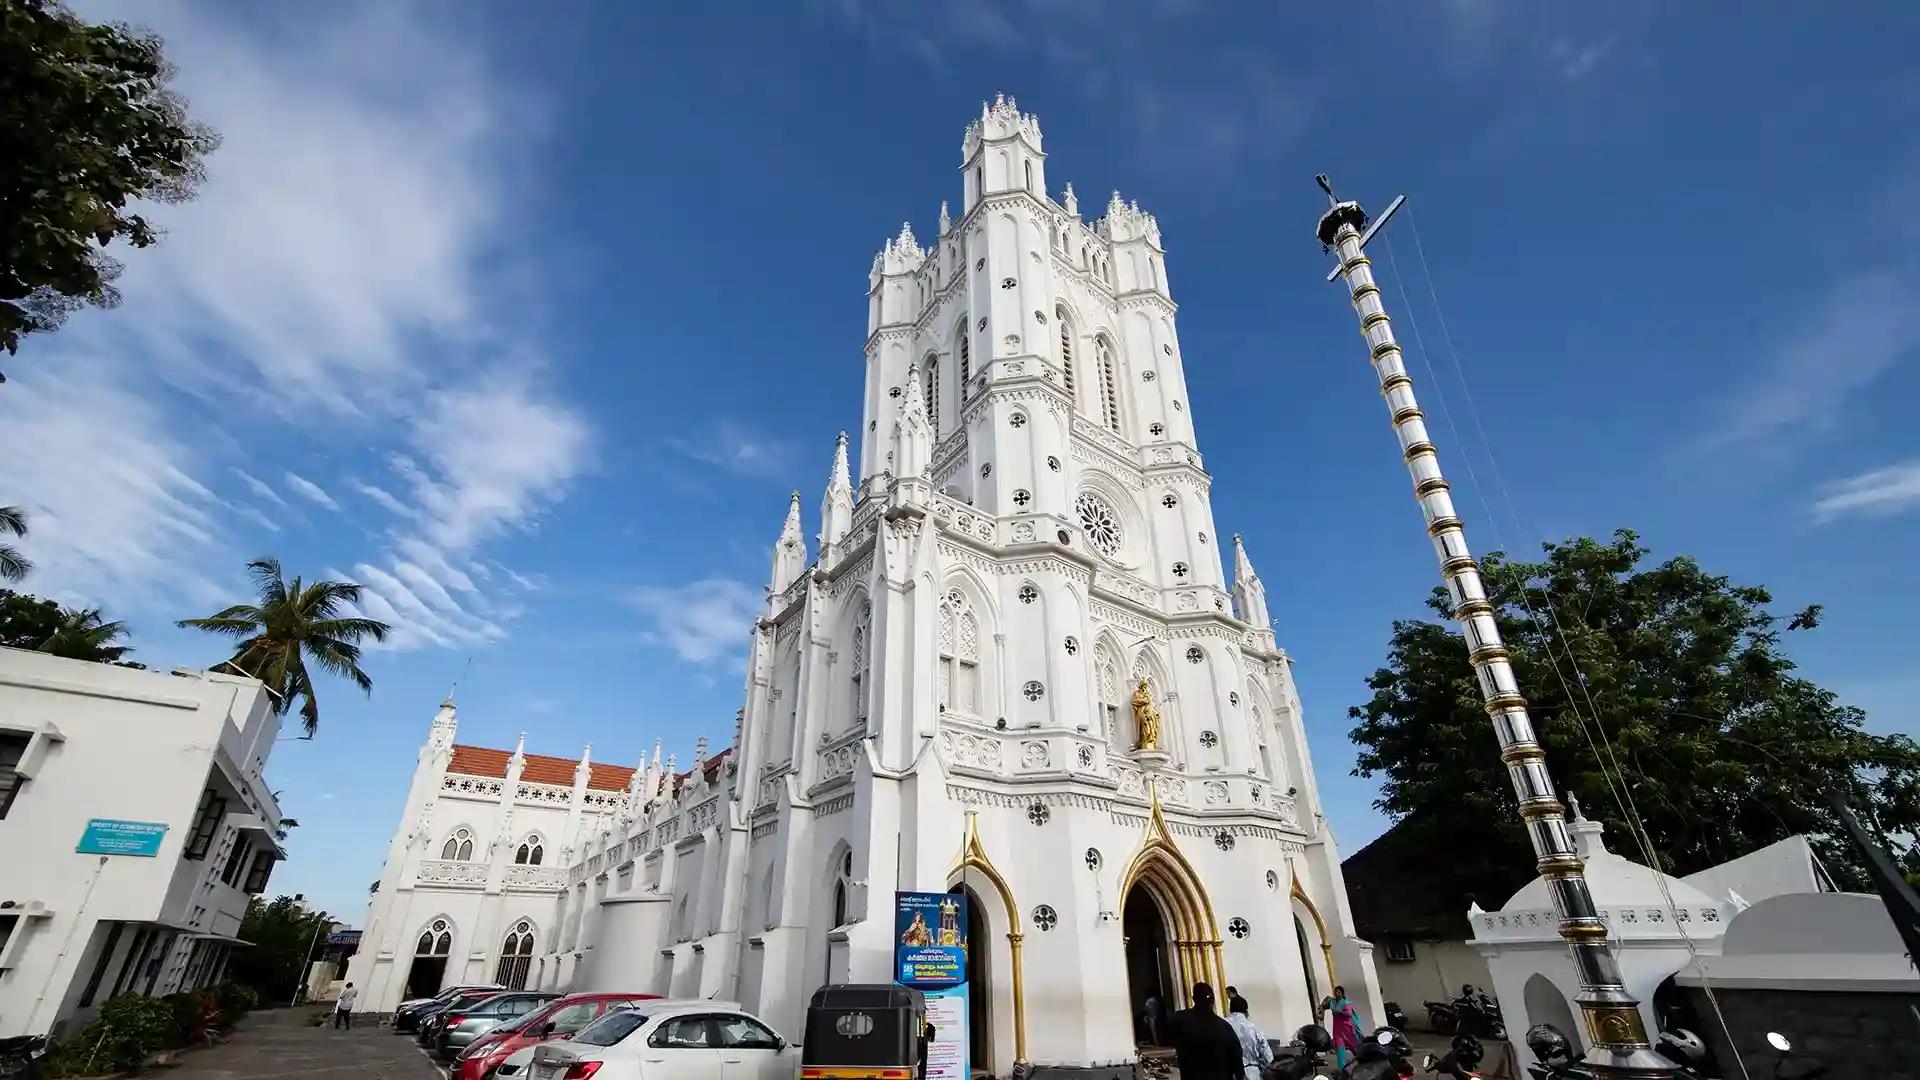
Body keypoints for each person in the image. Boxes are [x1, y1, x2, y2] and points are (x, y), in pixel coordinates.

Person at [1167, 983, 1243, 1080]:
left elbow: (1169, 1042)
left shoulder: (1179, 1020)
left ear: (1193, 999)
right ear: (1213, 1000)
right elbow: (1237, 1062)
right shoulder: (1225, 1027)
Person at [1225, 994, 1271, 1080]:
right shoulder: (1254, 1029)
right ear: (1246, 1011)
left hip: (1229, 1074)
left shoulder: (1222, 1025)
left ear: (1230, 1010)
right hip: (1253, 1074)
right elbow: (1268, 1058)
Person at [1325, 985, 1360, 1070]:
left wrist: (1340, 1011)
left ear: (1342, 993)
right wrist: (1321, 1010)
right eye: (1335, 992)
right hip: (1337, 1029)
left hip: (1347, 1028)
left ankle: (1361, 1061)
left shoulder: (1346, 1002)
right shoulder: (1332, 1002)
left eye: (1339, 992)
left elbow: (1349, 1014)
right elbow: (1324, 1005)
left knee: (1354, 1047)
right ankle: (1342, 1068)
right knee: (1340, 1048)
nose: (1337, 993)